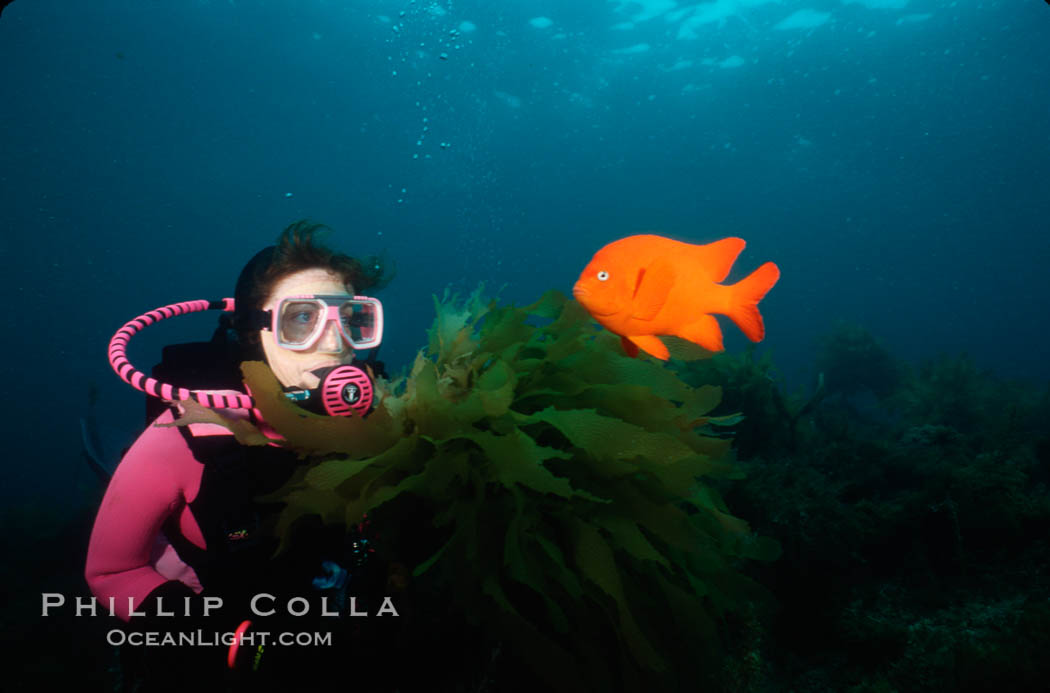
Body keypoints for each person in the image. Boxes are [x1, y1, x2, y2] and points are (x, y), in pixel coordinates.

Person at [85, 221, 412, 692]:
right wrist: (222, 643)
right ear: (255, 332)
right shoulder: (185, 435)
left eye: (352, 318)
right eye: (301, 318)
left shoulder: (382, 422)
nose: (335, 340)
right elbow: (111, 571)